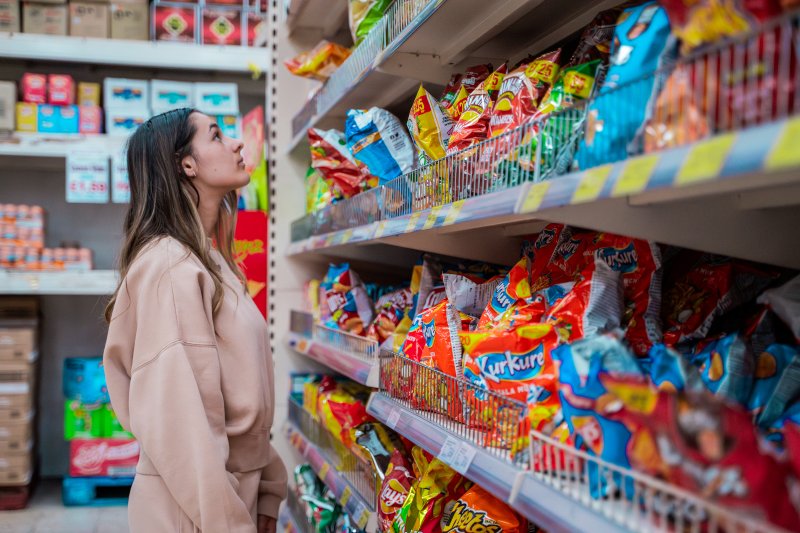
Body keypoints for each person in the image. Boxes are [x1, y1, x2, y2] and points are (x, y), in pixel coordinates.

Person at [103, 108, 287, 533]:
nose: (238, 144)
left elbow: (241, 402)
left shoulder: (209, 260)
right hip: (195, 511)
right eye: (218, 136)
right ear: (186, 164)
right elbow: (181, 425)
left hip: (226, 496)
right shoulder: (170, 266)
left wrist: (268, 487)